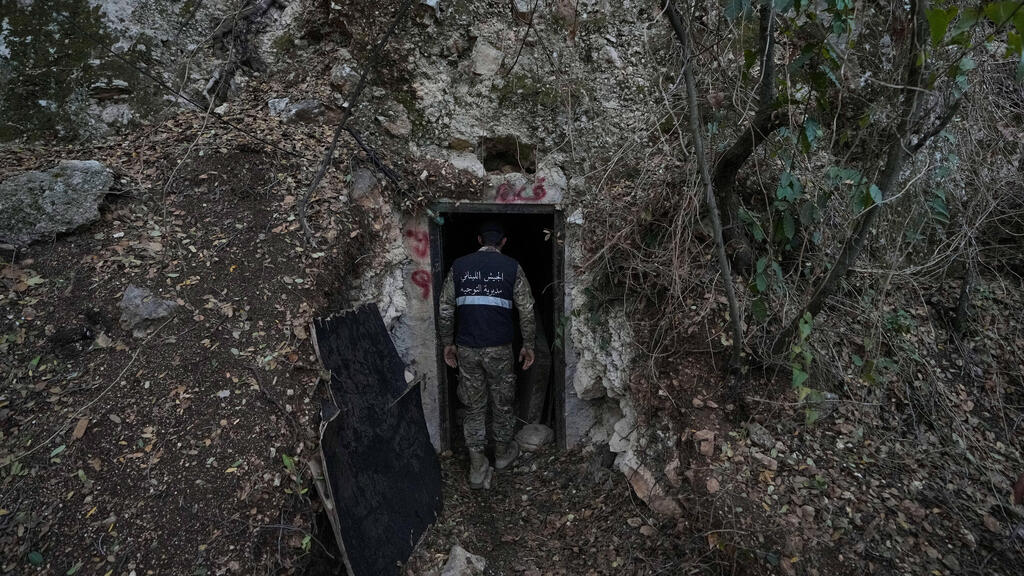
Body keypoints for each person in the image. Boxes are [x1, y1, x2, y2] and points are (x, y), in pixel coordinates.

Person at [438, 220, 535, 489]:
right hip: (500, 349)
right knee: (502, 402)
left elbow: (445, 309)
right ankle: (503, 455)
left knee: (474, 405)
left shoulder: (459, 266)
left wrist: (448, 343)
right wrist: (528, 344)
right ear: (503, 242)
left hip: (467, 349)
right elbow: (526, 309)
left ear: (479, 240)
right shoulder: (512, 267)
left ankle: (477, 466)